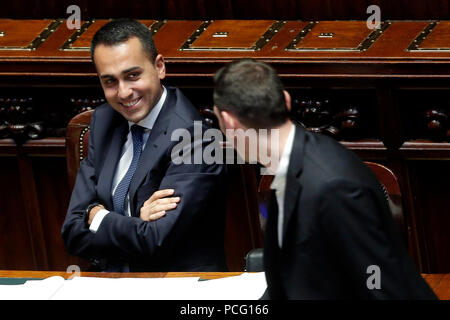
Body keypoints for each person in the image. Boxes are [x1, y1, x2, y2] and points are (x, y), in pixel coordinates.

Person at [212, 59, 437, 299]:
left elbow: (382, 290)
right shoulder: (287, 166)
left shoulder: (333, 187)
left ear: (229, 122)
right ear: (286, 100)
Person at [61, 19, 227, 272]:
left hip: (177, 287)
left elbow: (156, 240)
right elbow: (72, 232)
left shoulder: (196, 138)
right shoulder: (103, 122)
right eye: (110, 82)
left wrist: (98, 216)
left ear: (159, 67)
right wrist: (137, 220)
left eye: (132, 76)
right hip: (113, 284)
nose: (124, 92)